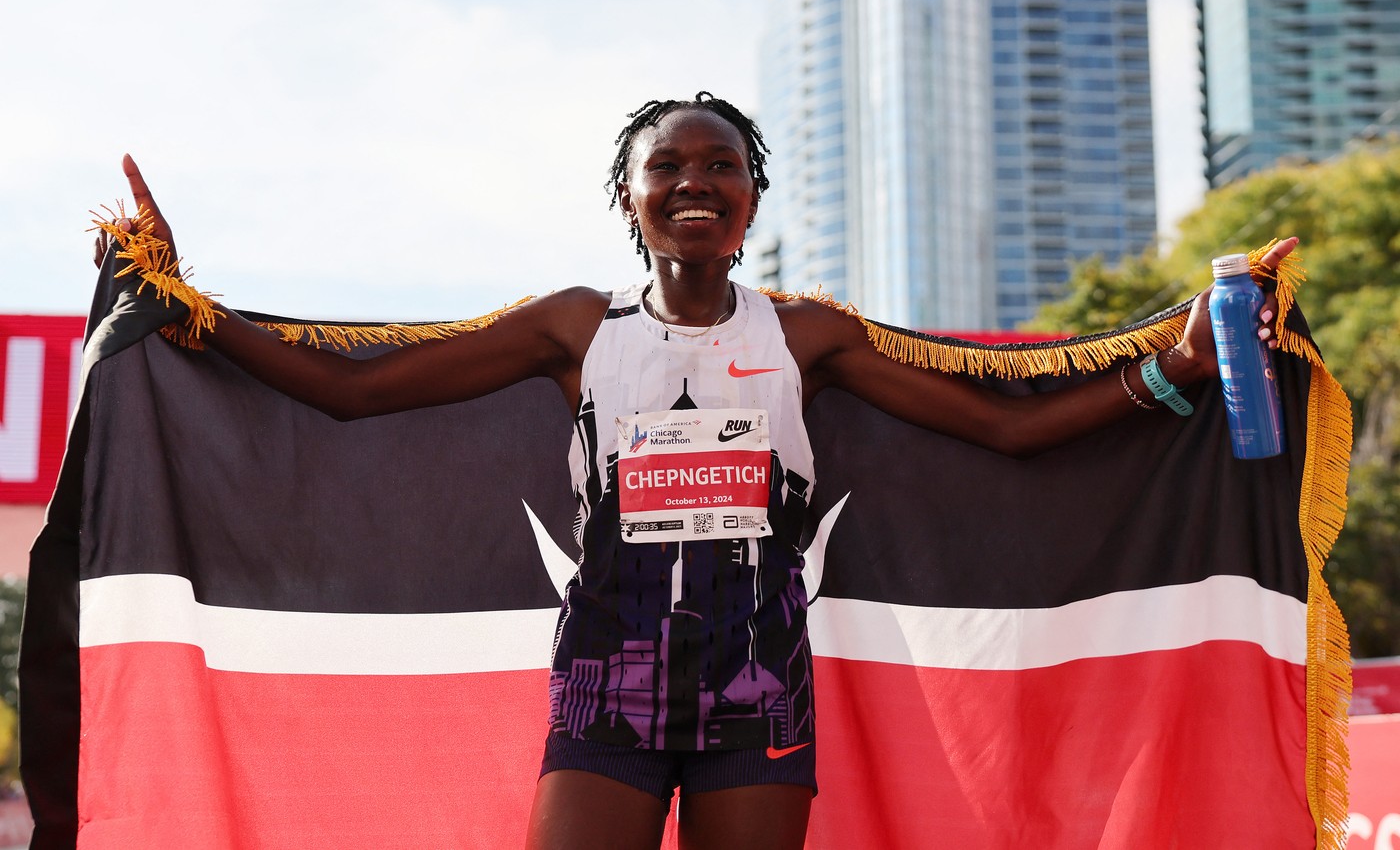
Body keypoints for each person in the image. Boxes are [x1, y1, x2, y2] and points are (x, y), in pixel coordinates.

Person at [98, 92, 1295, 850]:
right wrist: (188, 309)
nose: (692, 182)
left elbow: (1000, 427)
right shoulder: (573, 328)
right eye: (666, 166)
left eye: (718, 167)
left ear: (749, 201)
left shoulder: (806, 335)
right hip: (605, 681)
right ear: (630, 198)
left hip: (754, 685)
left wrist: (1171, 371)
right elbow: (356, 392)